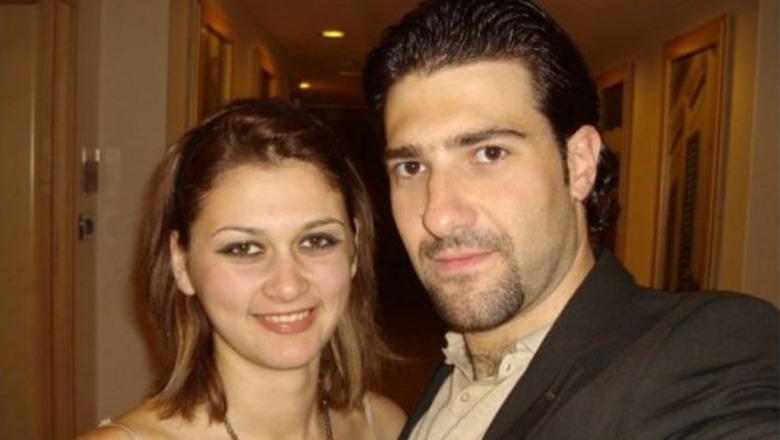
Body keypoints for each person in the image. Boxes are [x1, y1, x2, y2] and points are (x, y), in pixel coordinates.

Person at [362, 0, 779, 438]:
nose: (439, 216)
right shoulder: (458, 367)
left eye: (489, 153)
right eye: (411, 167)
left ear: (579, 163)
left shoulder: (701, 353)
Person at [77, 100, 405, 440]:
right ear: (181, 264)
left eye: (316, 241)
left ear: (354, 250)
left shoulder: (385, 427)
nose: (288, 286)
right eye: (244, 248)